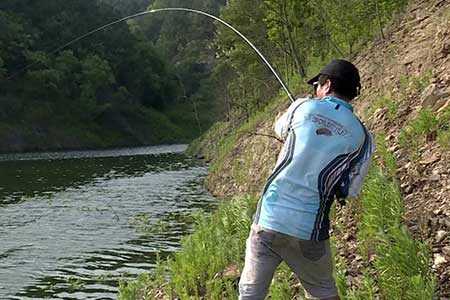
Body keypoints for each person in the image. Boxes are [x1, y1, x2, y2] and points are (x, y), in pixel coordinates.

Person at [238, 59, 374, 300]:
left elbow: (279, 129)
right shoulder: (363, 137)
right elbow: (350, 191)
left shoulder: (302, 107)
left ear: (327, 84)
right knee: (323, 292)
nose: (315, 91)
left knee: (250, 293)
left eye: (317, 86)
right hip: (310, 230)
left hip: (269, 220)